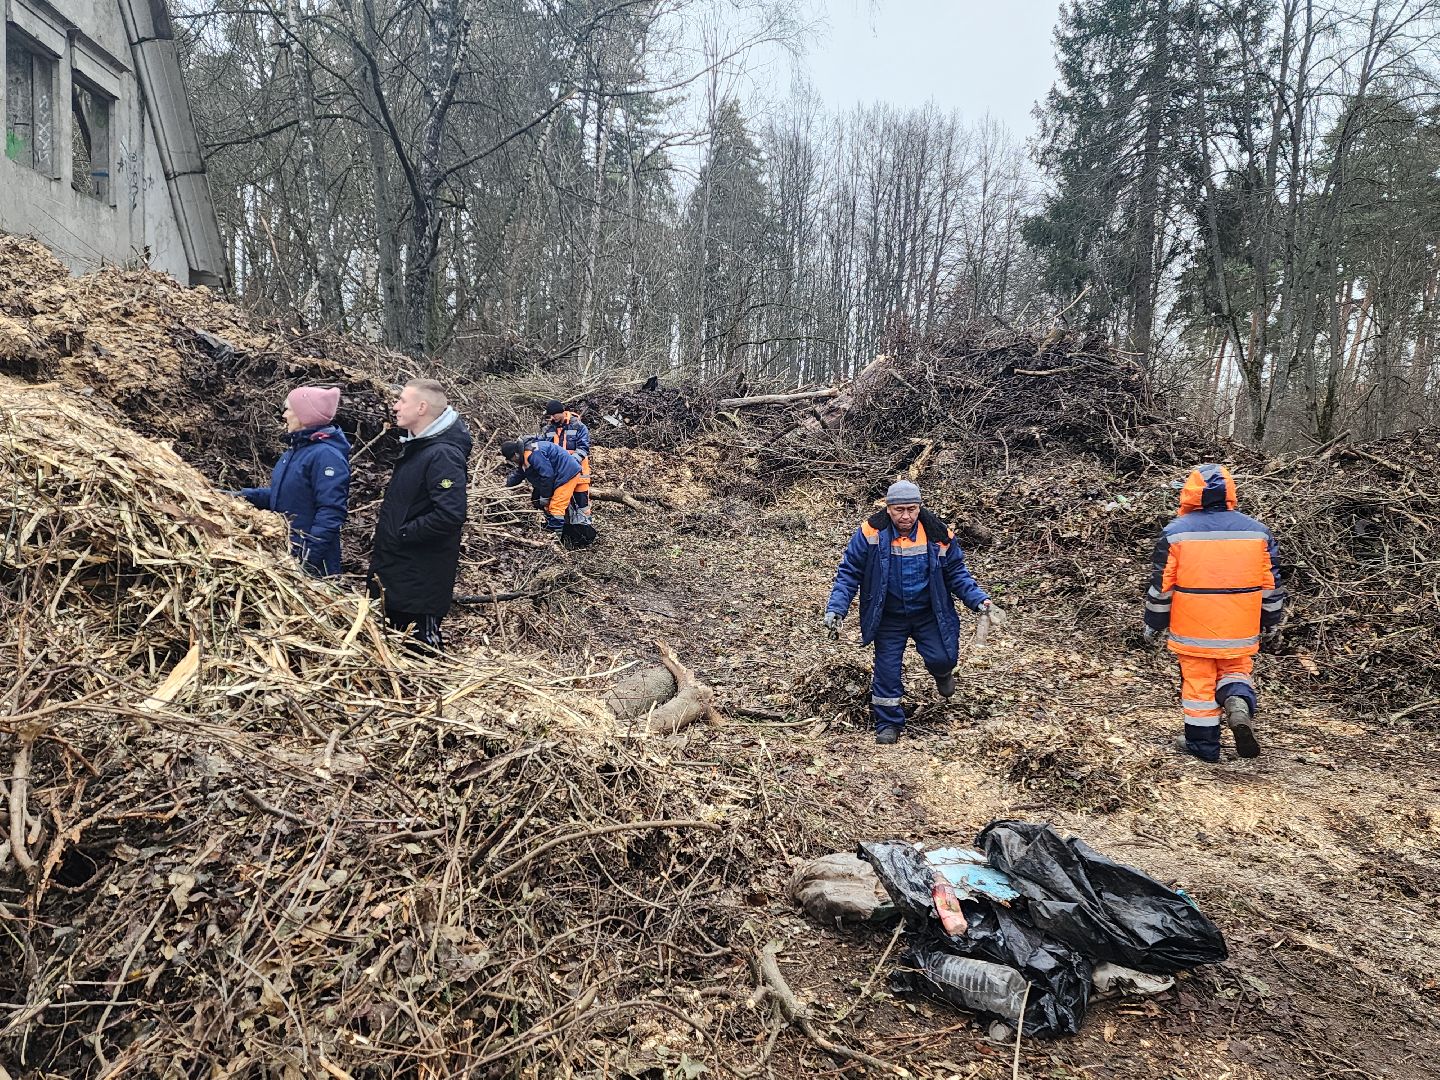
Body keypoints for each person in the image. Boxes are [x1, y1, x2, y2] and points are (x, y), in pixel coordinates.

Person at [825, 480, 997, 745]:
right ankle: (888, 724)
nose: (906, 516)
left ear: (919, 507)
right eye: (899, 510)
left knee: (943, 657)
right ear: (888, 508)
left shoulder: (939, 534)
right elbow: (849, 572)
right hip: (888, 616)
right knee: (887, 670)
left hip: (929, 613)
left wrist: (979, 600)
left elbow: (956, 573)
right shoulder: (870, 532)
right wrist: (837, 607)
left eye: (912, 509)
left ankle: (942, 673)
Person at [1144, 463, 1286, 761]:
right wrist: (1272, 620)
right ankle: (1237, 703)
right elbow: (1270, 586)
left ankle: (1204, 747)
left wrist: (1153, 622)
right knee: (1235, 671)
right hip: (1240, 628)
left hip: (1193, 628)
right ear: (1231, 493)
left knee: (1199, 686)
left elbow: (1162, 587)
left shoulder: (1175, 533)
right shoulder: (1258, 532)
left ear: (1190, 493)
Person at [368, 379, 472, 650]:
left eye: (402, 400)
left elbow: (450, 514)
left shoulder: (443, 455)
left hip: (418, 582)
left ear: (422, 407)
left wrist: (402, 533)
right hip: (398, 575)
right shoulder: (418, 448)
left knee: (420, 658)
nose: (395, 406)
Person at [238, 386, 350, 576]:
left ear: (304, 415)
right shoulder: (297, 450)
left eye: (289, 409)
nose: (284, 415)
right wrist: (242, 496)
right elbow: (286, 495)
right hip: (287, 554)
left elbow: (330, 512)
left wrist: (306, 561)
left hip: (310, 565)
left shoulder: (326, 456)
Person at [501, 435, 583, 536]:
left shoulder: (533, 454)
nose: (512, 461)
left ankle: (556, 538)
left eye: (511, 459)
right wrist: (505, 485)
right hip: (557, 475)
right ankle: (554, 526)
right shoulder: (524, 457)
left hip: (567, 473)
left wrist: (545, 496)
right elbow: (520, 473)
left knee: (556, 506)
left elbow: (547, 475)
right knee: (538, 500)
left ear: (515, 455)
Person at [540, 399, 592, 509]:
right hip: (558, 477)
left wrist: (570, 463)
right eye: (551, 415)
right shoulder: (548, 429)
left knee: (582, 508)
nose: (553, 417)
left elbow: (583, 448)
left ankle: (584, 526)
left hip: (579, 475)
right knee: (559, 508)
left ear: (562, 412)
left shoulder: (578, 426)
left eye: (555, 414)